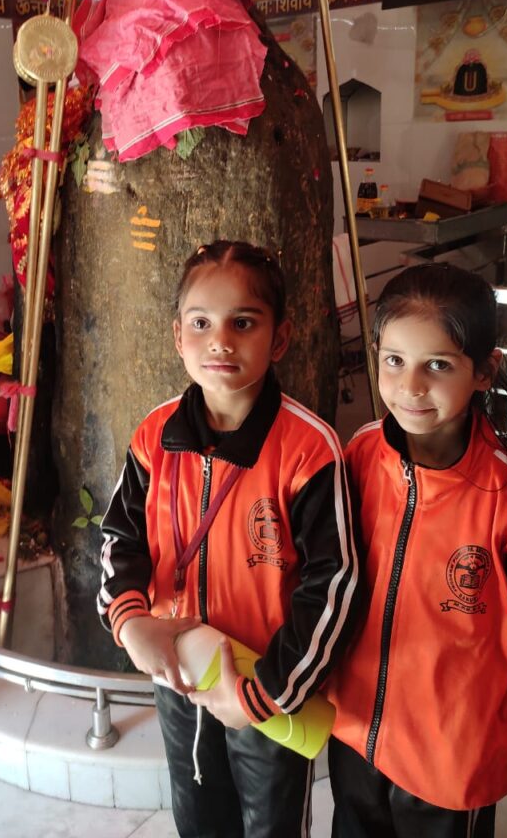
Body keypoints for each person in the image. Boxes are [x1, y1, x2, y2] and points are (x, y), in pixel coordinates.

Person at [97, 240, 361, 838]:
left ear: (280, 338)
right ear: (177, 335)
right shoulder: (154, 435)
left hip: (266, 680)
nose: (220, 341)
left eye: (243, 323)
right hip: (179, 674)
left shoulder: (310, 450)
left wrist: (270, 690)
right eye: (201, 323)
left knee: (272, 825)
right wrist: (130, 621)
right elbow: (120, 538)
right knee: (197, 817)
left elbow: (335, 586)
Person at [327, 263, 507, 838]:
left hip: (451, 759)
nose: (411, 386)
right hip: (354, 734)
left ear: (485, 371)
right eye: (395, 360)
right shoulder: (359, 456)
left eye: (437, 365)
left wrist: (494, 726)